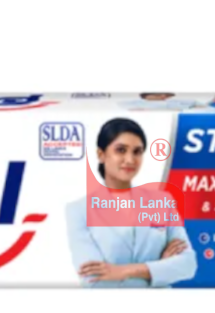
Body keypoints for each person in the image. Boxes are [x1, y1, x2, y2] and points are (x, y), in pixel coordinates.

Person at [65, 117, 198, 288]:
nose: (130, 159)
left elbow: (188, 264)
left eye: (137, 152)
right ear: (101, 155)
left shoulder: (162, 201)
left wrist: (123, 271)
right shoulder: (79, 210)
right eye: (121, 150)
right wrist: (159, 268)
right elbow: (93, 279)